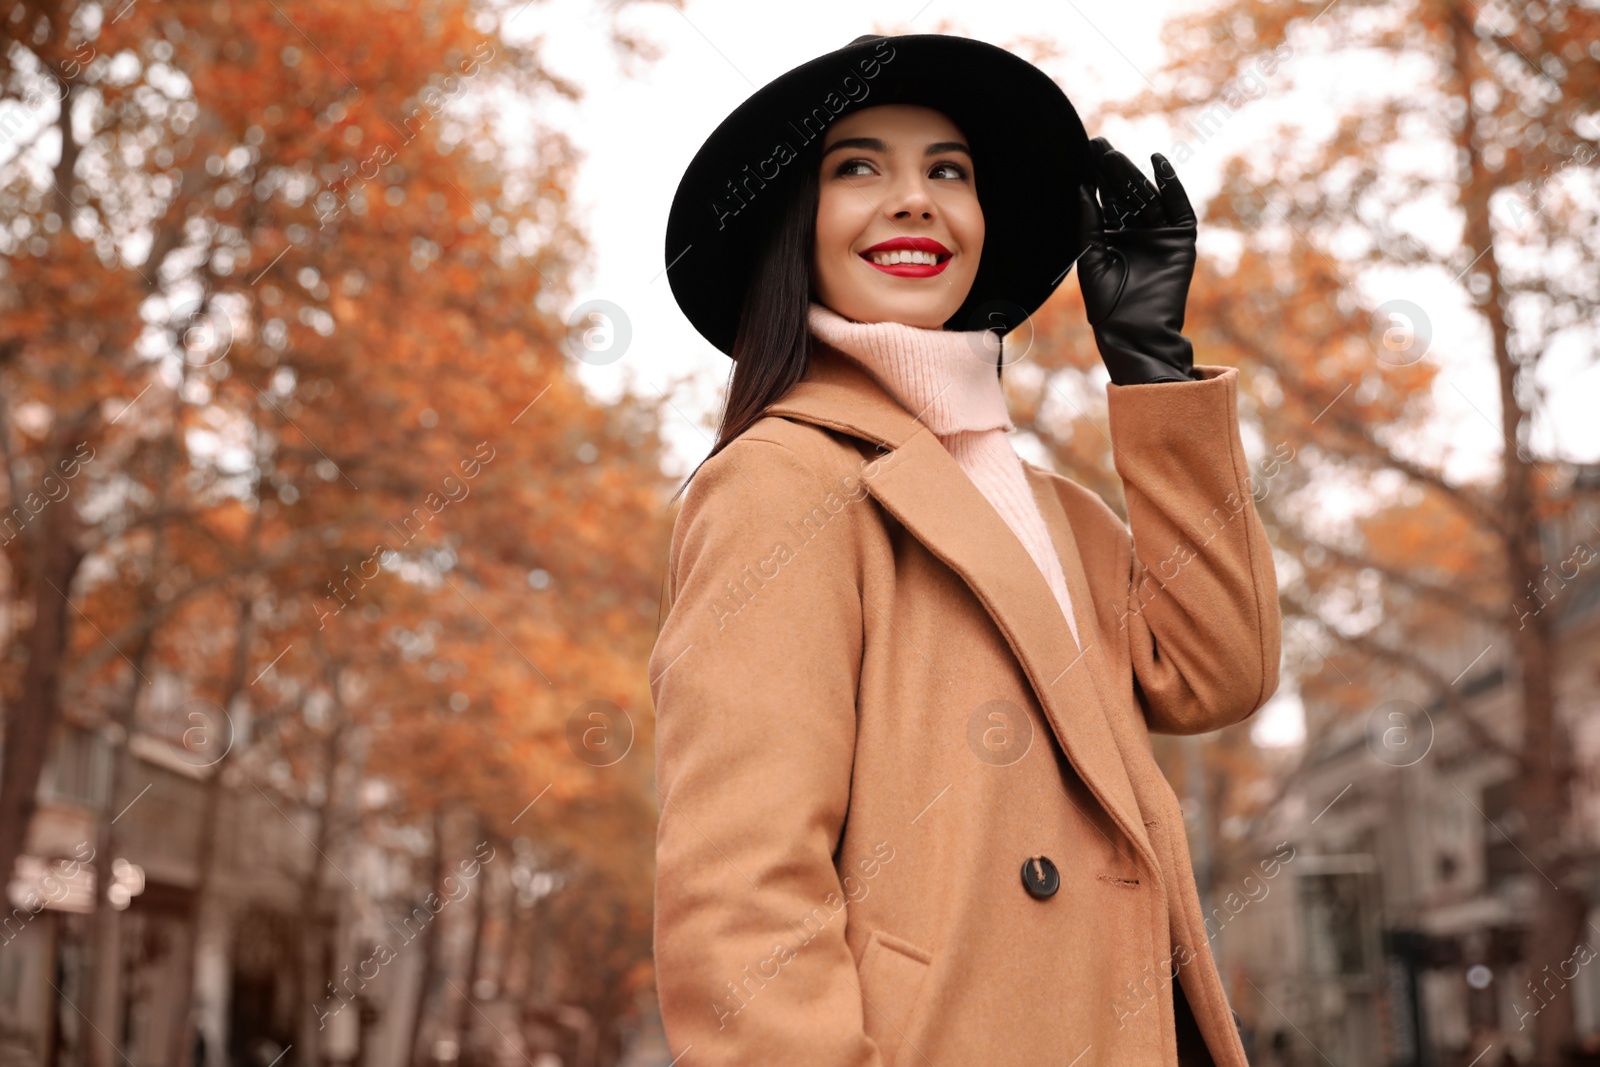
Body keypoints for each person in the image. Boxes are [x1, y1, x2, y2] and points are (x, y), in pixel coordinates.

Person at [650, 32, 1282, 1067]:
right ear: (791, 223)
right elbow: (742, 892)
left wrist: (1155, 373)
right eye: (858, 166)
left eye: (949, 170)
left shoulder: (1055, 509)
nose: (915, 199)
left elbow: (1221, 669)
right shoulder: (783, 483)